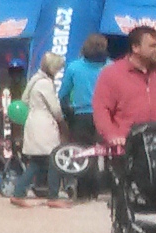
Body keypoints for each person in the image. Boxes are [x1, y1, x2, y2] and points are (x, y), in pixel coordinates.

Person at [90, 23, 156, 150]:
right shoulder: (112, 73)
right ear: (135, 47)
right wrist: (112, 135)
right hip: (127, 145)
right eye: (152, 46)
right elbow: (101, 109)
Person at [13, 50, 68, 204]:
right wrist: (62, 122)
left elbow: (24, 99)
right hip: (44, 124)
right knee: (54, 160)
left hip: (33, 121)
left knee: (37, 162)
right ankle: (53, 196)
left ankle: (19, 192)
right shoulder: (45, 84)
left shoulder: (34, 80)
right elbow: (55, 108)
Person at [63, 33, 109, 146]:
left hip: (81, 116)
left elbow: (63, 94)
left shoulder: (74, 67)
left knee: (81, 151)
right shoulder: (111, 67)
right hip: (105, 115)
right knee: (105, 150)